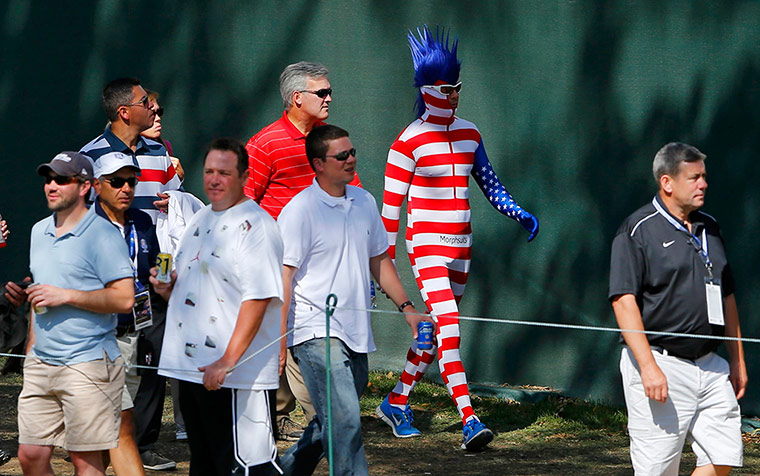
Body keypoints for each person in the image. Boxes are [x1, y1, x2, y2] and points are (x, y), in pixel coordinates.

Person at [378, 26, 539, 451]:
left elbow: (490, 183)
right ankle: (470, 419)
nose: (456, 95)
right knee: (450, 329)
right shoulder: (407, 142)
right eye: (449, 88)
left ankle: (396, 400)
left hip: (462, 247)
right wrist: (384, 266)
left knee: (436, 333)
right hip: (426, 245)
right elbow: (389, 213)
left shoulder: (470, 132)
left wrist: (517, 212)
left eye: (459, 87)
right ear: (430, 90)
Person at [277, 125, 428, 476]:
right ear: (318, 164)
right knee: (345, 421)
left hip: (356, 331)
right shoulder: (300, 210)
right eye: (341, 155)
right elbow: (284, 278)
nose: (351, 160)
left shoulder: (364, 201)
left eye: (353, 152)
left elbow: (379, 260)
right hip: (314, 331)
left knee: (333, 421)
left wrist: (408, 309)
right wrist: (280, 341)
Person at [609, 142, 747, 475]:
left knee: (723, 456)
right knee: (657, 469)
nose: (704, 184)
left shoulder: (710, 227)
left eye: (704, 177)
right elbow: (623, 300)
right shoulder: (637, 230)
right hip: (661, 362)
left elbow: (726, 296)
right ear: (667, 183)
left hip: (710, 364)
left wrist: (737, 359)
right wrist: (648, 367)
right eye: (694, 177)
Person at [244, 61, 361, 441]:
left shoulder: (333, 143)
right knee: (278, 346)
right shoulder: (264, 145)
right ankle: (280, 417)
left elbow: (353, 194)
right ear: (297, 98)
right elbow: (243, 206)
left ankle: (314, 422)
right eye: (321, 93)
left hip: (327, 273)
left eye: (330, 92)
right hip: (279, 269)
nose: (330, 98)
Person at [154, 138, 283, 475]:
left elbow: (259, 297)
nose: (213, 179)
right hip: (191, 370)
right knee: (205, 464)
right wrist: (167, 288)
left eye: (223, 173)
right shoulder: (199, 220)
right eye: (209, 171)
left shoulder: (257, 226)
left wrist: (227, 360)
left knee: (247, 468)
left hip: (237, 377)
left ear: (243, 176)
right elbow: (194, 294)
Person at [17, 151, 135, 476]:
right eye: (48, 179)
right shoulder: (38, 231)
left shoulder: (103, 234)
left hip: (89, 363)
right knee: (29, 455)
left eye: (62, 179)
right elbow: (41, 295)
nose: (51, 186)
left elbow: (125, 299)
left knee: (86, 462)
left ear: (84, 187)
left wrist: (65, 295)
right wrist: (30, 348)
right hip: (41, 361)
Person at [91, 151, 168, 474]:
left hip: (136, 332)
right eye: (117, 181)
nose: (126, 188)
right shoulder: (83, 225)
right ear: (96, 185)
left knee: (115, 428)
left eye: (131, 182)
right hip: (98, 339)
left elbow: (156, 265)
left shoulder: (142, 221)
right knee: (119, 425)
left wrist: (164, 278)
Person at [81, 77, 181, 224]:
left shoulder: (159, 151)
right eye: (144, 102)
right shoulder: (89, 156)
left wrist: (174, 203)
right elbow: (81, 214)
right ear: (124, 113)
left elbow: (178, 198)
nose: (152, 107)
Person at [142, 89, 185, 182]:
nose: (157, 118)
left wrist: (178, 177)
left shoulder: (164, 147)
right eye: (151, 113)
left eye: (159, 112)